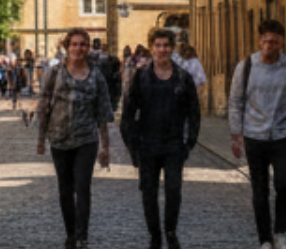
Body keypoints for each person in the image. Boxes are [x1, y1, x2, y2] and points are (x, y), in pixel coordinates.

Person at [228, 17, 286, 249]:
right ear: (259, 41)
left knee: (284, 184)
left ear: (281, 42)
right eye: (265, 41)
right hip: (254, 135)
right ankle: (264, 238)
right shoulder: (246, 67)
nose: (269, 46)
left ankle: (280, 231)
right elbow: (235, 101)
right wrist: (236, 134)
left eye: (274, 42)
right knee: (259, 189)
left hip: (283, 134)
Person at [120, 28, 202, 249]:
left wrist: (189, 143)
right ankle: (155, 235)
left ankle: (170, 231)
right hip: (147, 144)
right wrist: (133, 146)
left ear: (172, 48)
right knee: (149, 192)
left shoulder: (183, 78)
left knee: (174, 190)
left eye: (166, 45)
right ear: (152, 48)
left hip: (174, 145)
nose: (162, 49)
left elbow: (194, 113)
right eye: (158, 45)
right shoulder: (142, 77)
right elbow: (128, 113)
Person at [37, 27, 114, 249]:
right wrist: (41, 140)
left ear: (88, 48)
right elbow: (44, 106)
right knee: (65, 188)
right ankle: (70, 232)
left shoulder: (96, 75)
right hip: (59, 138)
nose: (79, 48)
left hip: (86, 139)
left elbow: (103, 111)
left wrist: (105, 147)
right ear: (67, 47)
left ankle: (82, 235)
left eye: (83, 44)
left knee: (82, 186)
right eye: (75, 44)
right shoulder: (54, 73)